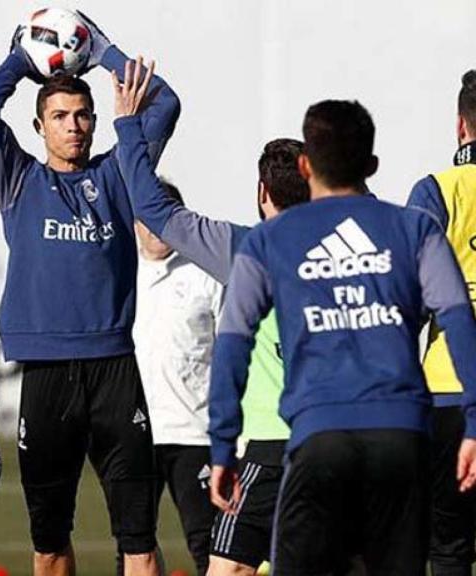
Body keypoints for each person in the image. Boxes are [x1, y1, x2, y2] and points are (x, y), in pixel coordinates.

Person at [209, 100, 476, 573]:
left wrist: (224, 443)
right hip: (401, 437)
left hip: (318, 437)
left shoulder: (269, 240)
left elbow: (233, 340)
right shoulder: (414, 228)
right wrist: (474, 422)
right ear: (371, 165)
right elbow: (458, 321)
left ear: (306, 165)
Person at [0, 11, 179, 575]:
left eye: (84, 115)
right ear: (40, 128)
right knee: (49, 542)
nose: (75, 126)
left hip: (114, 371)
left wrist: (104, 50)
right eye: (60, 116)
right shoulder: (18, 181)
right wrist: (23, 60)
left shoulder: (118, 176)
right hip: (47, 374)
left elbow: (166, 104)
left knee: (139, 540)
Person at [130, 137, 309, 574]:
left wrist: (129, 125)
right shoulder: (348, 251)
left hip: (271, 441)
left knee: (228, 566)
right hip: (340, 436)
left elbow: (156, 211)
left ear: (262, 193)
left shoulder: (246, 248)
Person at [133, 180, 223, 575]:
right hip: (133, 436)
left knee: (211, 546)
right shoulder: (118, 274)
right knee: (134, 547)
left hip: (195, 434)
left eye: (164, 218)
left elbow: (234, 353)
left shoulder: (207, 274)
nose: (155, 229)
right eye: (146, 218)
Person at [407, 69, 476, 576]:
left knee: (448, 544)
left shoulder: (437, 190)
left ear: (460, 127)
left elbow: (409, 289)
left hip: (448, 386)